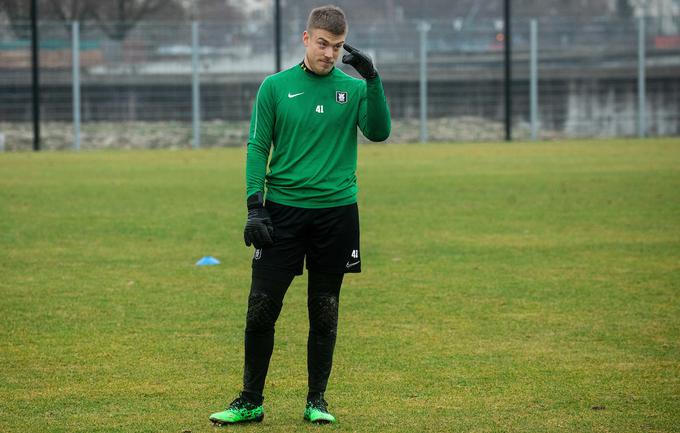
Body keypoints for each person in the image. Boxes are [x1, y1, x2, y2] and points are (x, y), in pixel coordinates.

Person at [209, 4, 390, 426]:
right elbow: (257, 147)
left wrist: (374, 79)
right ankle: (250, 401)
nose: (330, 53)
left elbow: (379, 132)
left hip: (337, 214)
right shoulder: (274, 87)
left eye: (338, 46)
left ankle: (317, 401)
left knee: (324, 309)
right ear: (306, 39)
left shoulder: (355, 89)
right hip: (282, 215)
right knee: (261, 308)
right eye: (323, 44)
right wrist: (255, 205)